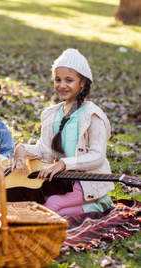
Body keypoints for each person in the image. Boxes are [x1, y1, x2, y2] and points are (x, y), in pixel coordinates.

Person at [11, 48, 115, 216]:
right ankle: (92, 205)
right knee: (32, 201)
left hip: (86, 181)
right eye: (58, 80)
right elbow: (45, 149)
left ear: (82, 83)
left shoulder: (92, 115)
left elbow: (97, 157)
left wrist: (63, 164)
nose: (62, 85)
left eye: (69, 80)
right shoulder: (50, 114)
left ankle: (98, 204)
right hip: (60, 179)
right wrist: (21, 149)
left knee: (50, 206)